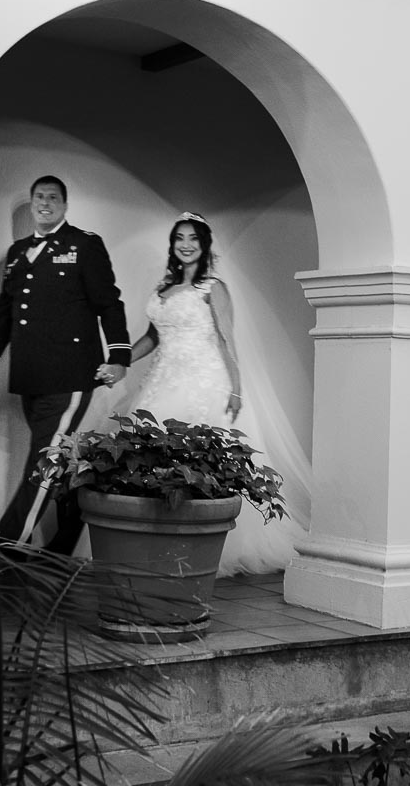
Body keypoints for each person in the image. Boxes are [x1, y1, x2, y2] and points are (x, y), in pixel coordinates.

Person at [0, 175, 130, 554]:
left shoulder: (84, 245)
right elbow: (4, 313)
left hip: (70, 373)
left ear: (64, 205)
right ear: (31, 203)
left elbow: (110, 303)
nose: (45, 203)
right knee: (55, 459)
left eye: (53, 197)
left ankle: (9, 543)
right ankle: (70, 529)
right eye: (39, 197)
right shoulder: (18, 251)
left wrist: (119, 356)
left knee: (46, 459)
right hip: (30, 374)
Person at [128, 212, 298, 574]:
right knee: (152, 455)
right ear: (173, 245)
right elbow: (152, 337)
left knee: (196, 462)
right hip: (162, 379)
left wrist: (236, 388)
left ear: (204, 245)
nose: (186, 244)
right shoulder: (163, 288)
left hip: (202, 380)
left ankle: (203, 545)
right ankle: (160, 537)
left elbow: (226, 336)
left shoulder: (212, 287)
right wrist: (121, 358)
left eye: (193, 238)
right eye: (179, 238)